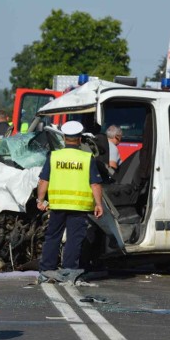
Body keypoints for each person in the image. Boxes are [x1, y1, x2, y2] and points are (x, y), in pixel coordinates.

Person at [36, 120, 104, 282]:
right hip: (79, 206)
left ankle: (47, 269)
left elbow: (43, 181)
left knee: (53, 236)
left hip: (58, 204)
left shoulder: (54, 156)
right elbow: (95, 183)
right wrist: (99, 204)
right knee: (74, 238)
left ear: (64, 138)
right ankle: (69, 270)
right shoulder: (87, 158)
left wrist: (40, 200)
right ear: (79, 139)